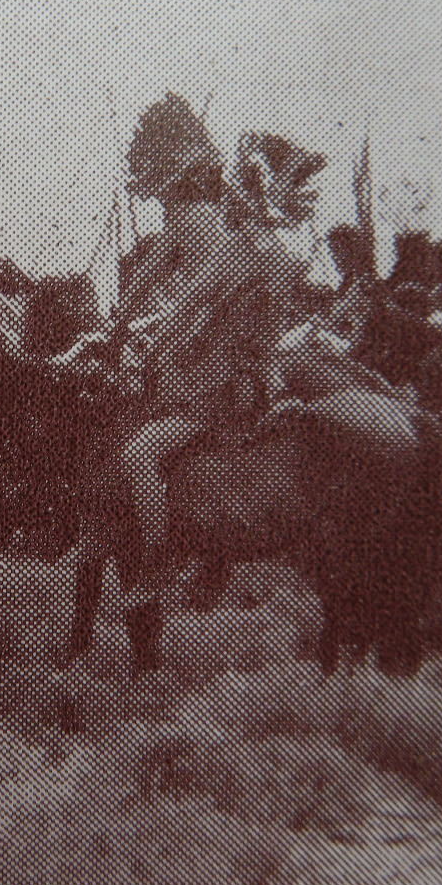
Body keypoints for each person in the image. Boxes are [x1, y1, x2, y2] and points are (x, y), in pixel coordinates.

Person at [112, 157, 304, 589]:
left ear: (248, 199)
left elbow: (190, 307)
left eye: (233, 195)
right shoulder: (280, 257)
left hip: (217, 390)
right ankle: (208, 558)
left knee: (137, 455)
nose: (225, 204)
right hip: (252, 387)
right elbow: (259, 332)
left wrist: (154, 345)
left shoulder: (239, 251)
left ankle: (159, 558)